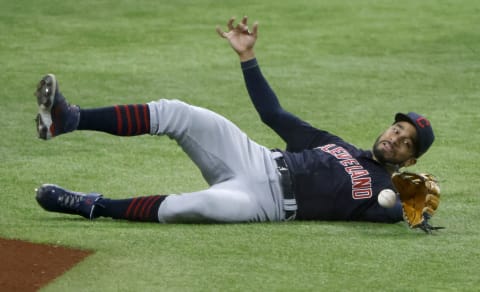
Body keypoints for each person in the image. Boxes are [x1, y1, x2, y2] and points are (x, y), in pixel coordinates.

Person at [34, 16, 434, 224]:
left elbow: (387, 215)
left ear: (410, 160)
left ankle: (92, 206)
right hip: (256, 159)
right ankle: (68, 119)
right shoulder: (337, 144)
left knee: (189, 208)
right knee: (180, 112)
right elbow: (272, 114)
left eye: (406, 142)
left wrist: (411, 207)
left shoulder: (384, 191)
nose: (396, 138)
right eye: (397, 129)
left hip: (264, 204)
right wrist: (247, 57)